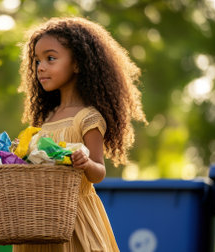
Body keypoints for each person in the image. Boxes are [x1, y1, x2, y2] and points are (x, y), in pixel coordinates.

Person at [14, 17, 147, 252]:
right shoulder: (47, 118)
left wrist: (85, 163)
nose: (40, 67)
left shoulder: (88, 118)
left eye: (50, 58)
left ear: (77, 64)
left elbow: (99, 172)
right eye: (37, 61)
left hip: (75, 220)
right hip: (41, 219)